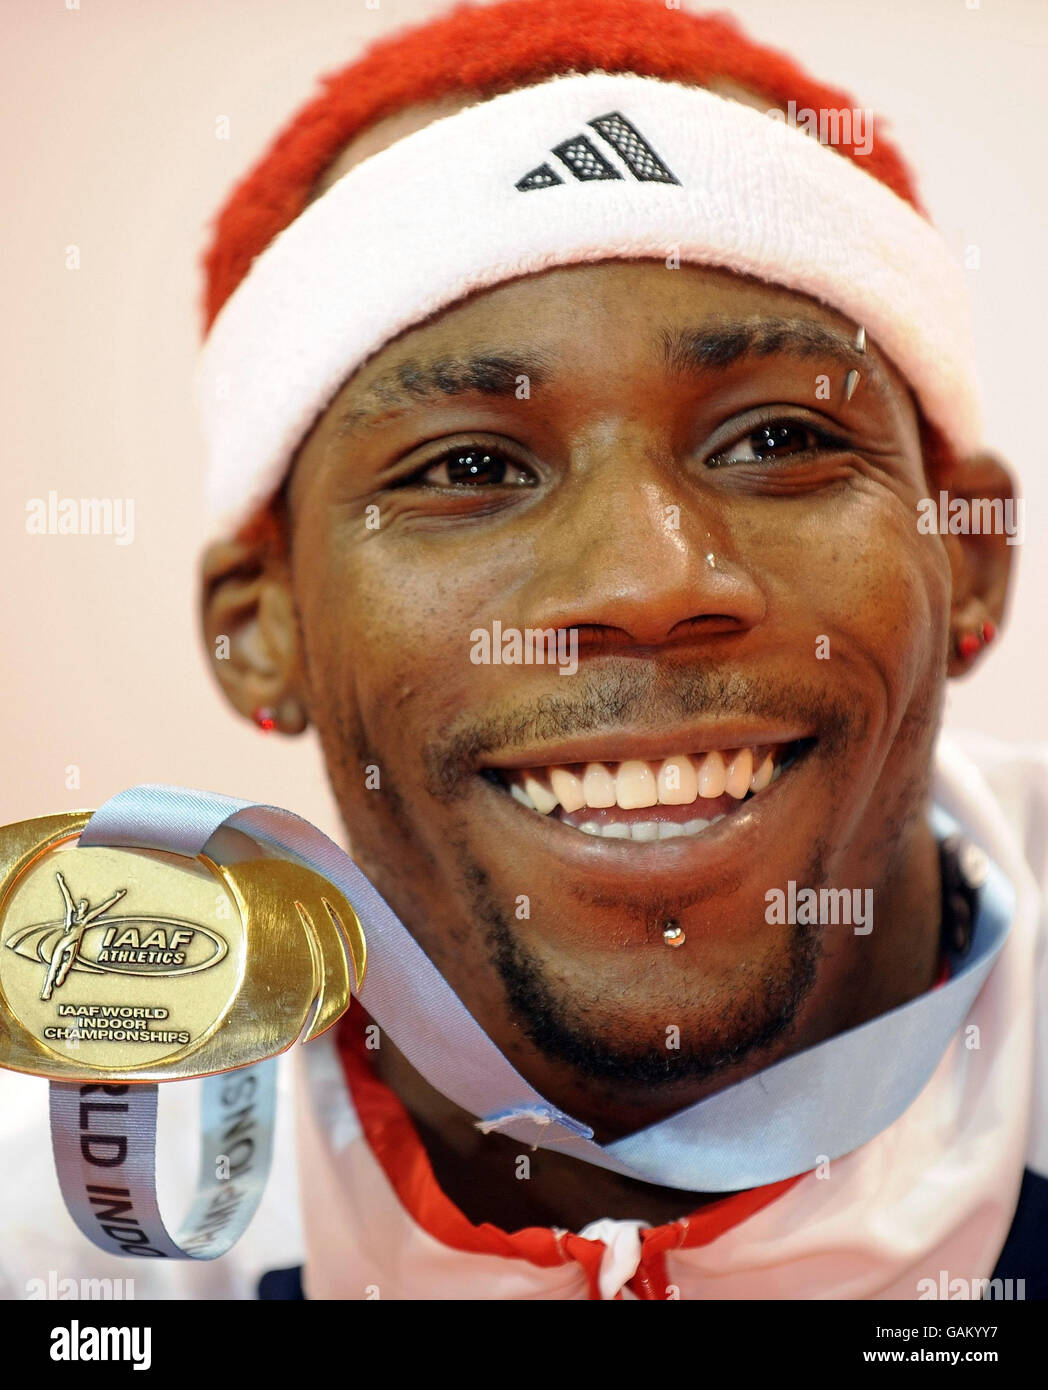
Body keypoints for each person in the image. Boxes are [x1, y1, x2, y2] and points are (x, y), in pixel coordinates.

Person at [34, 0, 1038, 1301]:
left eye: (780, 438)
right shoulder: (65, 1251)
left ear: (969, 558)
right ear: (261, 623)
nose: (648, 580)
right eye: (469, 466)